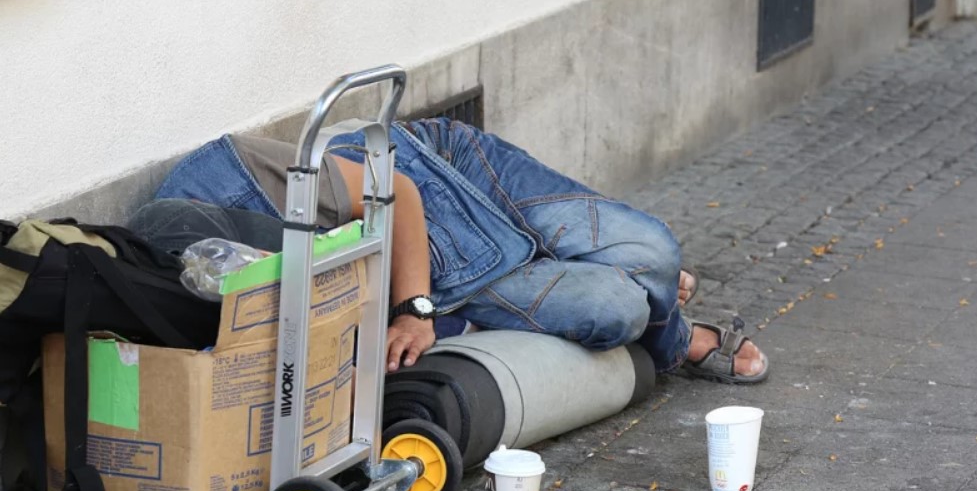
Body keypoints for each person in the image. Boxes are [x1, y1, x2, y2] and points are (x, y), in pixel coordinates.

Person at [134, 118, 767, 384]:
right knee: (616, 308)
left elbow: (398, 192)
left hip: (437, 167)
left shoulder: (231, 175)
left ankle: (667, 324)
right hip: (456, 271)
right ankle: (665, 322)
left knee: (654, 244)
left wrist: (413, 308)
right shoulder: (206, 287)